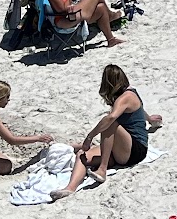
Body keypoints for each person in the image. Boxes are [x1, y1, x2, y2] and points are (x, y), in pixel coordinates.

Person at [53, 64, 160, 199]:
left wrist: (89, 137)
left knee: (109, 122)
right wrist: (150, 119)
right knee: (82, 155)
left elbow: (111, 118)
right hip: (120, 149)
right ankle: (70, 188)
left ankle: (102, 169)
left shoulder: (127, 96)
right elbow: (139, 110)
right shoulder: (126, 96)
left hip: (136, 150)